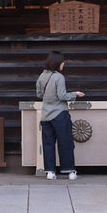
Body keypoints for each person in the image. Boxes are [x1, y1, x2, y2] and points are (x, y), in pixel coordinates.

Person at [36, 51, 83, 180]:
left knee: (48, 143)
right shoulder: (59, 77)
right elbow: (62, 96)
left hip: (45, 115)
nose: (63, 64)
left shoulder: (42, 76)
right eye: (62, 62)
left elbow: (39, 95)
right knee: (65, 142)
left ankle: (50, 172)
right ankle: (70, 171)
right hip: (59, 114)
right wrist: (75, 94)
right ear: (57, 62)